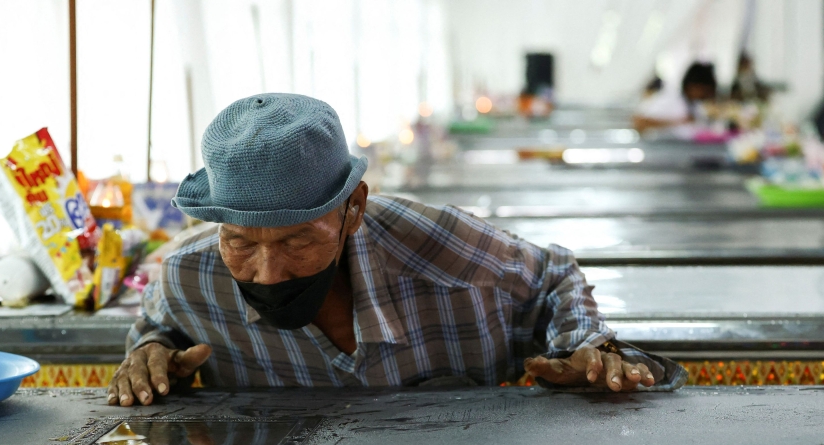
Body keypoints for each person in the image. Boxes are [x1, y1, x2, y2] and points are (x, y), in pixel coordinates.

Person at [107, 94, 686, 406]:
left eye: (297, 239)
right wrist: (153, 357)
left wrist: (584, 345)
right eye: (239, 241)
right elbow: (156, 337)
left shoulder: (439, 248)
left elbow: (554, 273)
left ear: (353, 207)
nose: (268, 270)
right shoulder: (190, 277)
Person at [632, 62, 717, 133]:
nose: (706, 95)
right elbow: (639, 122)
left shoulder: (695, 103)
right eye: (704, 90)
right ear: (692, 86)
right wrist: (678, 122)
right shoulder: (668, 99)